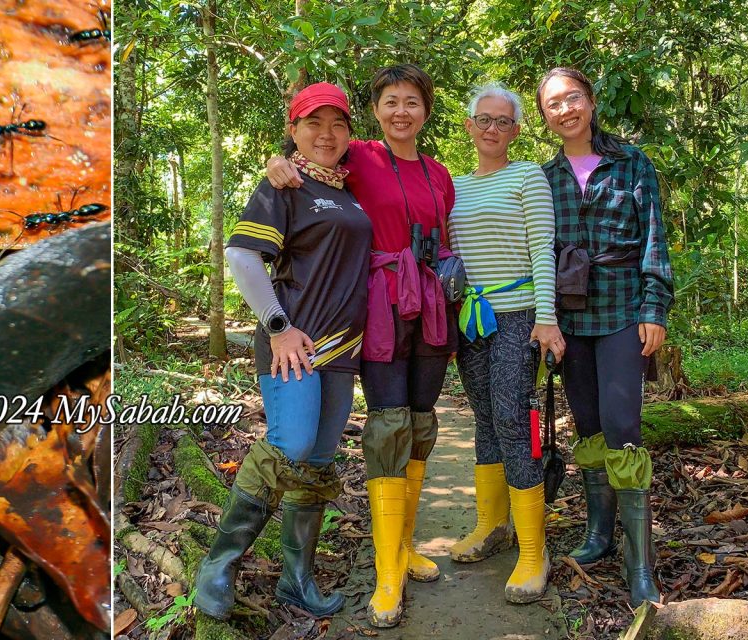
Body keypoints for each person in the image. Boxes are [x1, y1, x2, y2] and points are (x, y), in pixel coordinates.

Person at [266, 63, 454, 628]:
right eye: (392, 101)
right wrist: (275, 164)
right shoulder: (358, 156)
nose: (402, 112)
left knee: (421, 423)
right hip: (375, 307)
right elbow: (305, 161)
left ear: (425, 111)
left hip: (431, 306)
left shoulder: (440, 173)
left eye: (413, 103)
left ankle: (404, 547)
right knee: (388, 424)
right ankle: (386, 574)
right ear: (377, 111)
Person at [193, 82, 371, 621]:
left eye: (337, 123)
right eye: (313, 123)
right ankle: (219, 563)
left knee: (316, 462)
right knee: (290, 444)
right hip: (292, 345)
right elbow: (243, 256)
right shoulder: (282, 186)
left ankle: (298, 579)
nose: (326, 133)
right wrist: (277, 326)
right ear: (293, 130)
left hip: (342, 350)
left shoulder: (348, 187)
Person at [536, 67, 673, 608]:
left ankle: (641, 564)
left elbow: (653, 239)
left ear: (590, 102)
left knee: (623, 426)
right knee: (588, 423)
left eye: (572, 98)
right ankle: (599, 535)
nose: (565, 109)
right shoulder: (543, 177)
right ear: (544, 116)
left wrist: (654, 307)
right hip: (570, 316)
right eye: (553, 104)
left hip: (622, 310)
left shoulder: (631, 162)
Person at [445, 83, 562, 604]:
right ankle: (493, 525)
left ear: (515, 130)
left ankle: (534, 550)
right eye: (483, 119)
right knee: (485, 417)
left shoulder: (527, 176)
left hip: (519, 315)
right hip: (472, 317)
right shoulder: (454, 186)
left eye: (503, 121)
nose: (492, 128)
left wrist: (547, 318)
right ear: (468, 126)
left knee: (515, 417)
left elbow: (543, 248)